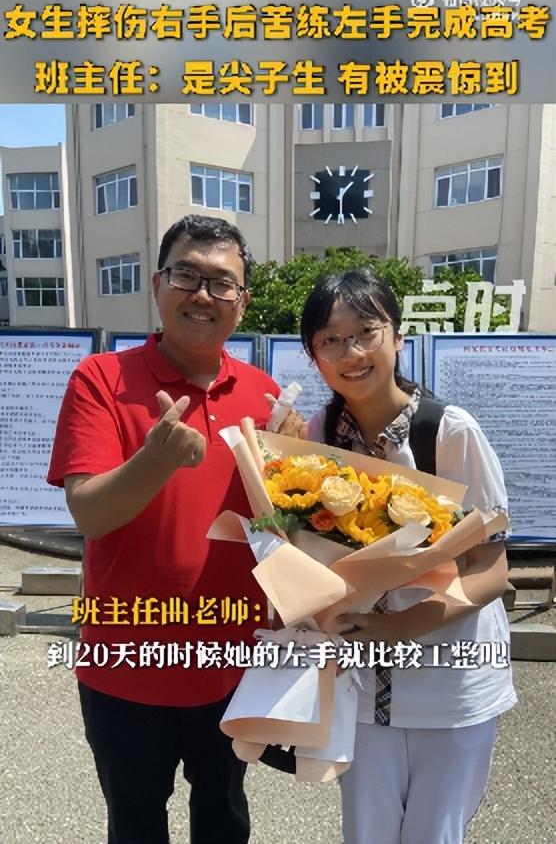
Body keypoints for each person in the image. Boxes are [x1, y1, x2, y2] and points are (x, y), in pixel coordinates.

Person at [47, 215, 281, 844]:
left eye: (222, 282)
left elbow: (278, 532)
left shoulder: (264, 397)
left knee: (224, 819)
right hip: (125, 662)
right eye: (186, 275)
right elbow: (89, 513)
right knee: (135, 825)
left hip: (232, 662)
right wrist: (155, 460)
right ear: (157, 284)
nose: (203, 294)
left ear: (242, 301)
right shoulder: (101, 379)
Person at [297, 268, 517, 844]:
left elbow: (490, 570)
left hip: (450, 685)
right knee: (365, 833)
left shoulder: (448, 432)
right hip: (359, 687)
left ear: (397, 336)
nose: (351, 352)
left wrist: (399, 628)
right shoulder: (318, 434)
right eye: (330, 340)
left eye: (365, 332)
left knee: (433, 834)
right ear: (314, 355)